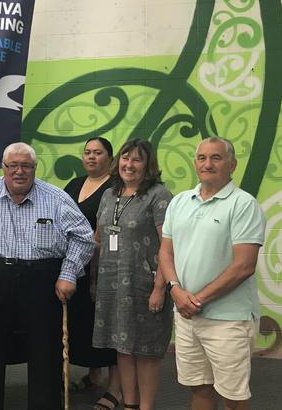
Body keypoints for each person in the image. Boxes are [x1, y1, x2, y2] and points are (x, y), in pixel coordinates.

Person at [0, 142, 95, 410]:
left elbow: (83, 237)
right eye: (12, 165)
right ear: (3, 168)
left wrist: (69, 273)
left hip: (41, 281)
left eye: (26, 166)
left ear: (35, 168)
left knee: (45, 350)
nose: (19, 171)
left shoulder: (56, 198)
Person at [158, 137, 266, 410]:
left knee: (234, 397)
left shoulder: (243, 204)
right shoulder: (180, 201)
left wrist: (195, 300)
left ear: (232, 164)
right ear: (195, 163)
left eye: (216, 158)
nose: (208, 164)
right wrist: (174, 289)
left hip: (228, 320)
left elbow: (244, 266)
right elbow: (165, 252)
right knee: (201, 389)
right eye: (202, 158)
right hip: (186, 316)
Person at [92, 138, 173, 410]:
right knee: (123, 349)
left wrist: (160, 288)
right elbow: (99, 238)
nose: (129, 164)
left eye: (137, 159)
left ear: (148, 164)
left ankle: (146, 407)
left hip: (146, 285)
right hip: (111, 286)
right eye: (126, 158)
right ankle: (130, 404)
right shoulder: (109, 194)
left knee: (146, 352)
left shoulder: (159, 195)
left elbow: (169, 246)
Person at [63, 137, 122, 410]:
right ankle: (93, 374)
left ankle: (115, 390)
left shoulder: (116, 188)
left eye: (98, 153)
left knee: (108, 329)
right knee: (83, 324)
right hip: (76, 266)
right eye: (87, 152)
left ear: (109, 158)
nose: (91, 157)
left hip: (105, 269)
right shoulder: (74, 185)